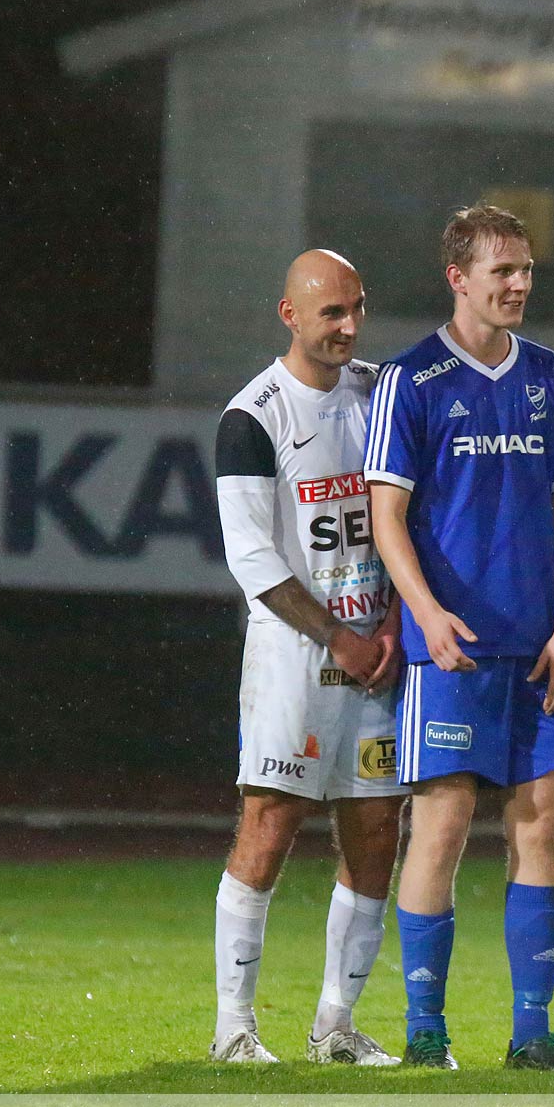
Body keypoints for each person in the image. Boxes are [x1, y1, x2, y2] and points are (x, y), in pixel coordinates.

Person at [364, 205, 554, 1071]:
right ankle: (427, 1033)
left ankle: (533, 1035)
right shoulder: (412, 380)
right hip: (451, 647)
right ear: (458, 278)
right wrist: (425, 614)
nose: (520, 284)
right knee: (443, 830)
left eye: (526, 269)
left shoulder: (552, 376)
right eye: (502, 271)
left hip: (540, 647)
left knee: (541, 832)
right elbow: (388, 517)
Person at [210, 249, 406, 1065]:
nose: (349, 327)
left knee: (375, 833)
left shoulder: (377, 395)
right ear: (289, 315)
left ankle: (335, 1026)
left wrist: (392, 621)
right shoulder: (253, 417)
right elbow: (252, 559)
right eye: (331, 313)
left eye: (357, 308)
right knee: (269, 825)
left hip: (378, 656)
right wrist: (340, 635)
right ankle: (233, 1029)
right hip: (295, 660)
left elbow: (405, 522)